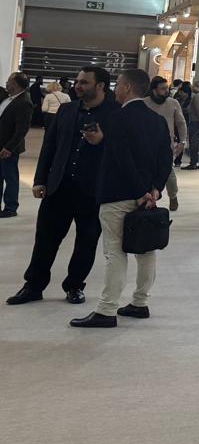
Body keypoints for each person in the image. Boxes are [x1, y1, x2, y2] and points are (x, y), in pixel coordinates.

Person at [71, 69, 173, 328]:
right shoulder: (157, 120)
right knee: (146, 249)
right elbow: (166, 159)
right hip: (148, 198)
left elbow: (122, 158)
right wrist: (154, 190)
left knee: (115, 252)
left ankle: (107, 310)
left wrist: (139, 191)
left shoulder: (117, 118)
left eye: (118, 85)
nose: (115, 90)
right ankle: (140, 303)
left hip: (117, 194)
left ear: (127, 88)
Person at [6, 66, 114, 305]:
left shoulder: (115, 114)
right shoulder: (66, 110)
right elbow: (50, 146)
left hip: (92, 191)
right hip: (59, 187)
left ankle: (74, 285)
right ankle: (33, 286)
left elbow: (122, 152)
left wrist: (102, 141)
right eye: (78, 81)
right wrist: (40, 180)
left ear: (100, 86)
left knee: (86, 242)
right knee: (45, 239)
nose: (78, 85)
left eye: (84, 82)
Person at [142, 76, 186, 213]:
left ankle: (173, 196)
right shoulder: (144, 103)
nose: (166, 91)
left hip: (166, 145)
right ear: (153, 90)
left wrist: (183, 141)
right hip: (146, 144)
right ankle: (148, 199)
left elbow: (181, 123)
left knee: (168, 172)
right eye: (162, 89)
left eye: (167, 88)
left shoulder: (173, 103)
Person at [0, 72, 34, 216]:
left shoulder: (24, 102)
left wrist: (9, 148)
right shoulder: (9, 98)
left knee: (10, 178)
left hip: (8, 148)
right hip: (2, 145)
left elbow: (22, 129)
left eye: (9, 81)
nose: (6, 83)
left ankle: (11, 208)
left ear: (15, 84)